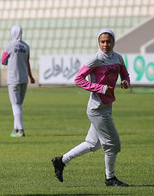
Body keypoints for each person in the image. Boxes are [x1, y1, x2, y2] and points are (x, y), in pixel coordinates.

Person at [51, 29, 130, 186]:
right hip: (97, 108)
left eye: (108, 41)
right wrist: (100, 88)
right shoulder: (95, 60)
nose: (105, 44)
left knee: (92, 144)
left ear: (113, 42)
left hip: (107, 106)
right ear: (98, 42)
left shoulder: (118, 58)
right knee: (113, 144)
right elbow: (78, 79)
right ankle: (110, 178)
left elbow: (125, 75)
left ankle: (61, 161)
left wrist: (126, 82)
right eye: (102, 41)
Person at [1, 25, 35, 137]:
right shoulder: (26, 46)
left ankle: (20, 130)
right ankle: (15, 129)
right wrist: (31, 76)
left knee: (15, 104)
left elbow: (3, 61)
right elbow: (28, 62)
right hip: (24, 78)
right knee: (18, 104)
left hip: (13, 78)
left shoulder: (9, 46)